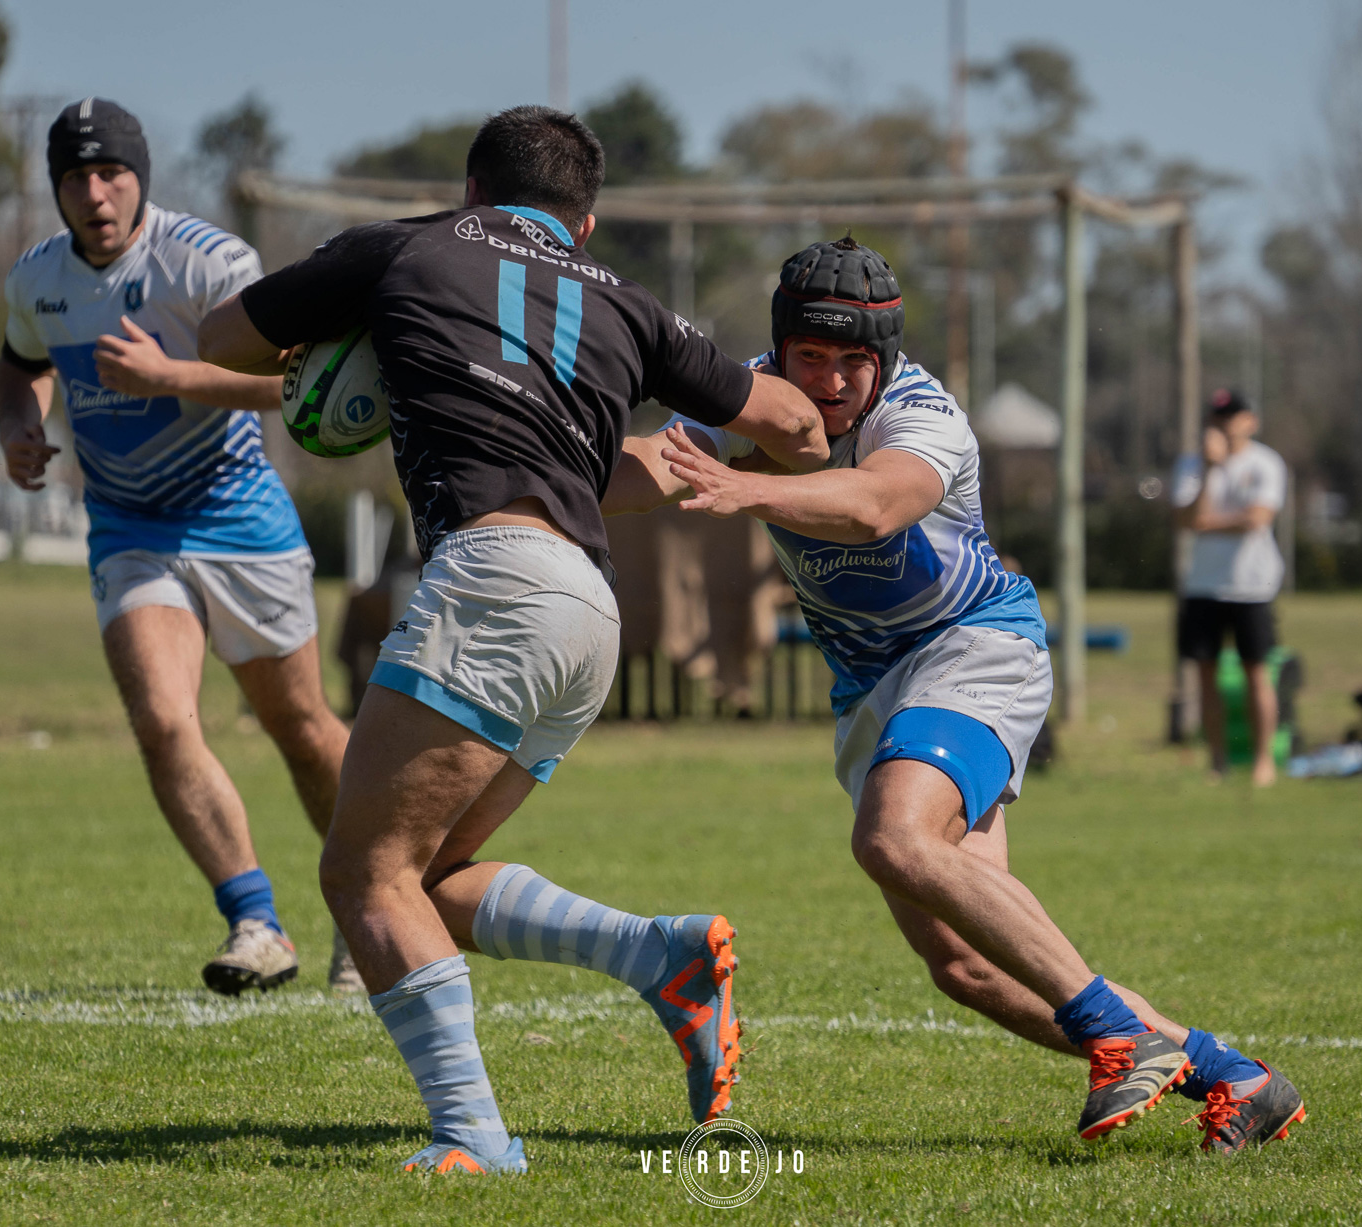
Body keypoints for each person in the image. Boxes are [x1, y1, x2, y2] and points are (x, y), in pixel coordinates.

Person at [197, 105, 828, 1176]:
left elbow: (220, 340)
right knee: (431, 873)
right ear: (584, 224)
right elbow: (800, 428)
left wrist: (355, 336)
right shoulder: (628, 302)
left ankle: (474, 1135)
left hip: (491, 583)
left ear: (473, 192)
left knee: (363, 875)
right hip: (587, 611)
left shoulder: (403, 248)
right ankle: (661, 957)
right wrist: (737, 463)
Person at [606, 237, 1305, 1155]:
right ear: (779, 348)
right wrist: (539, 473)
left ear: (884, 357)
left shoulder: (923, 412)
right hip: (870, 688)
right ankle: (1234, 1076)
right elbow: (654, 465)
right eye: (808, 356)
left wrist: (746, 489)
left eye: (852, 360)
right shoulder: (753, 394)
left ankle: (1117, 1031)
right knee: (968, 964)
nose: (829, 382)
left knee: (893, 838)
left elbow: (874, 505)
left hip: (973, 645)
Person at [0, 99, 359, 996]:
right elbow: (20, 363)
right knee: (163, 721)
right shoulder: (37, 279)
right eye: (75, 178)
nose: (95, 193)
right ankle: (257, 922)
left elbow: (293, 382)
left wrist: (168, 376)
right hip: (131, 530)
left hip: (239, 519)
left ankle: (372, 903)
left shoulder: (207, 262)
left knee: (302, 728)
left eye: (111, 173)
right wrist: (20, 426)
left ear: (141, 177)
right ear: (57, 189)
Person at [1172, 390, 1288, 787]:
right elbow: (1187, 519)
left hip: (1252, 586)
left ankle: (1263, 761)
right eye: (1219, 416)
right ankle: (1217, 761)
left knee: (1257, 672)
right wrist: (1209, 471)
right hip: (1203, 585)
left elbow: (1257, 519)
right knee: (1206, 676)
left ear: (1250, 421)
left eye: (1234, 415)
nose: (1225, 424)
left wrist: (1208, 522)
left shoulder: (1266, 462)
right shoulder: (1192, 464)